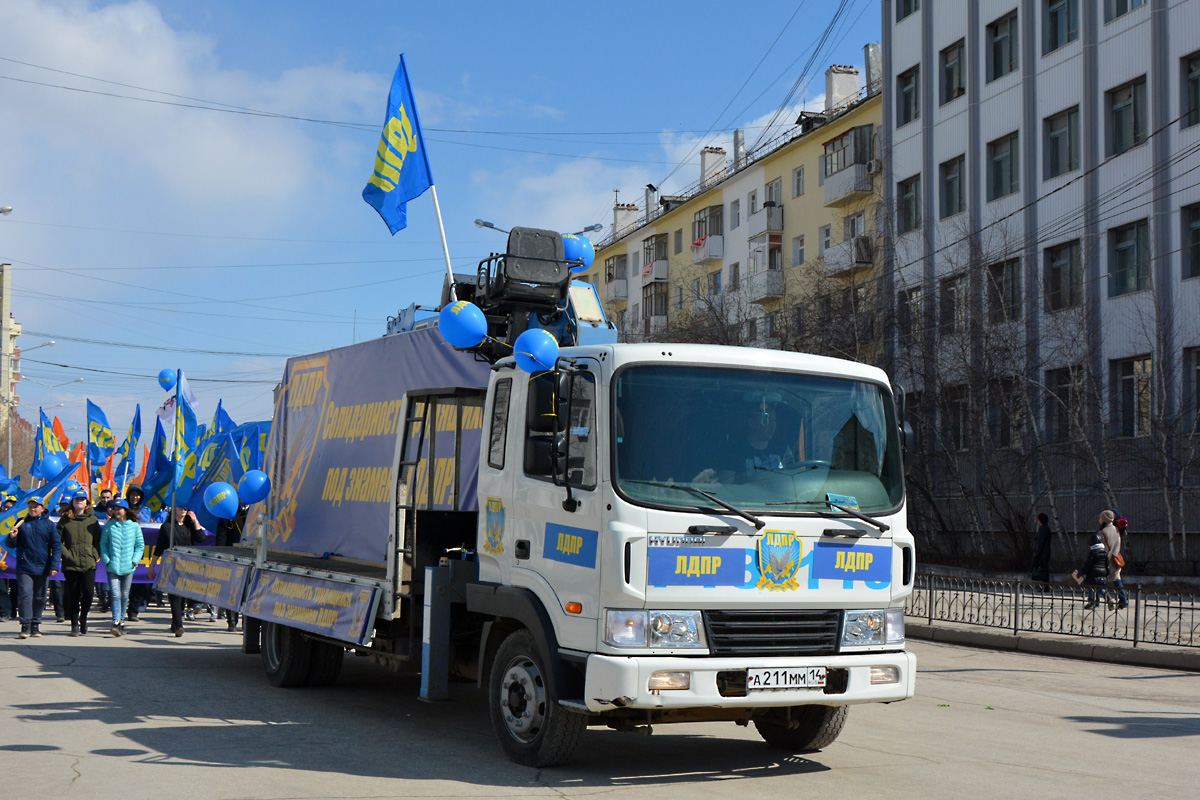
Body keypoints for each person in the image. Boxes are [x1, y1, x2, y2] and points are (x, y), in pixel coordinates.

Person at [7, 498, 61, 638]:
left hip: (43, 567)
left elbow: (56, 546)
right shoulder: (22, 523)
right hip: (25, 566)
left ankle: (35, 625)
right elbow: (11, 544)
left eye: (35, 507)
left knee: (40, 597)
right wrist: (12, 537)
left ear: (42, 508)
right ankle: (25, 625)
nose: (32, 509)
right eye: (30, 507)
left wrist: (54, 565)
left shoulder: (49, 525)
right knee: (25, 595)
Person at [148, 506, 203, 637]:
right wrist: (152, 565)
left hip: (188, 564)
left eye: (185, 507)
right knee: (175, 594)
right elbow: (159, 547)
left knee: (183, 594)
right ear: (173, 509)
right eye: (179, 507)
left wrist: (195, 521)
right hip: (173, 564)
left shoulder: (189, 526)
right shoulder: (167, 527)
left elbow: (201, 539)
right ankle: (178, 624)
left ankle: (175, 622)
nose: (183, 510)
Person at [57, 491, 103, 636]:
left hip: (88, 563)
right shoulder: (65, 520)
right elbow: (57, 541)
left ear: (86, 503)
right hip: (71, 563)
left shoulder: (93, 520)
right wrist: (67, 554)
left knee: (89, 593)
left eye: (83, 500)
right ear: (73, 502)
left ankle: (84, 618)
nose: (80, 502)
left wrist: (94, 554)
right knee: (73, 594)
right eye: (77, 499)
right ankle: (74, 624)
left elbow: (98, 541)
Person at [99, 500, 143, 636]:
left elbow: (140, 546)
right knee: (115, 594)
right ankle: (116, 621)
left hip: (128, 567)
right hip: (113, 567)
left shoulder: (134, 526)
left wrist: (134, 561)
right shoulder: (109, 526)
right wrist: (107, 561)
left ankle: (122, 620)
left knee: (124, 594)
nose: (116, 511)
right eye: (114, 509)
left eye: (119, 509)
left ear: (125, 510)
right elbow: (104, 545)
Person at [214, 504, 248, 630]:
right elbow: (222, 536)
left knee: (247, 591)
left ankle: (247, 622)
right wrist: (221, 557)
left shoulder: (257, 511)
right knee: (232, 589)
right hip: (232, 557)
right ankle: (232, 620)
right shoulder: (230, 512)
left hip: (251, 556)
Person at [1099, 509, 1128, 610]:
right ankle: (1123, 599)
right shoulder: (1118, 530)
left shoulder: (1103, 531)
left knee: (1098, 581)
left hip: (1105, 560)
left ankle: (1099, 600)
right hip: (1116, 559)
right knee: (1117, 579)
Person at [1077, 528, 1109, 611]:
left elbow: (1088, 564)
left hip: (1092, 573)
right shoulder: (1105, 552)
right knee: (1101, 588)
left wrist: (1081, 573)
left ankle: (1091, 602)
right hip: (1103, 573)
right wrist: (1107, 574)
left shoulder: (1092, 552)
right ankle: (1108, 598)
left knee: (1091, 587)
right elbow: (1107, 565)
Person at [1031, 513, 1052, 583]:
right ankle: (1045, 586)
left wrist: (1038, 552)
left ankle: (1045, 586)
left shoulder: (1042, 529)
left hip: (1043, 552)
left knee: (1043, 569)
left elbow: (1041, 542)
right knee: (1045, 569)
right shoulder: (1047, 528)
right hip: (1046, 552)